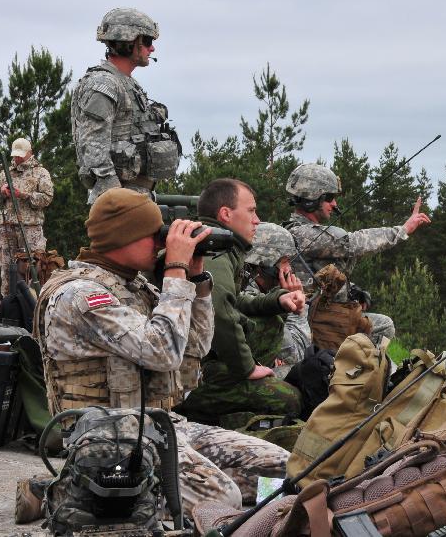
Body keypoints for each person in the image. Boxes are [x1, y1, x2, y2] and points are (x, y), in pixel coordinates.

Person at [34, 188, 288, 516]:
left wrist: (196, 280)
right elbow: (161, 352)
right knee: (221, 499)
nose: (160, 243)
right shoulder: (81, 296)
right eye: (153, 235)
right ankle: (75, 491)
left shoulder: (136, 286)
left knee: (284, 469)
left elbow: (195, 348)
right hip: (106, 438)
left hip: (159, 425)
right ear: (124, 237)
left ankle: (96, 490)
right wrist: (175, 272)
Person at [173, 178, 303, 424]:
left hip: (197, 358)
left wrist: (278, 300)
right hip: (187, 374)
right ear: (225, 214)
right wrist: (247, 369)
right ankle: (206, 415)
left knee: (270, 320)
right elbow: (220, 311)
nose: (257, 219)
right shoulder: (214, 252)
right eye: (251, 211)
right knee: (292, 400)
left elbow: (233, 300)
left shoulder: (223, 248)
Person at [283, 163, 431, 342]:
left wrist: (352, 290)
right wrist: (403, 229)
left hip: (322, 314)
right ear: (311, 199)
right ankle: (350, 368)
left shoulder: (303, 232)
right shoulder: (302, 233)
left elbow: (317, 275)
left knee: (378, 323)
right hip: (314, 321)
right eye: (329, 198)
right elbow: (353, 243)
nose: (334, 204)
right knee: (383, 326)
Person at [71, 8, 181, 203]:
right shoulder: (104, 84)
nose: (152, 48)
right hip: (121, 200)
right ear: (129, 42)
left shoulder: (127, 83)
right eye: (147, 41)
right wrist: (115, 199)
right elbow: (93, 148)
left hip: (136, 196)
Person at [242, 222, 312, 378]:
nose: (290, 269)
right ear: (266, 265)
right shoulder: (255, 299)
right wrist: (296, 309)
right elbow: (299, 354)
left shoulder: (245, 286)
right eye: (285, 261)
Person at [0, 137, 53, 296]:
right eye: (14, 155)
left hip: (30, 228)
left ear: (29, 153)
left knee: (32, 268)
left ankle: (33, 305)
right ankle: (9, 306)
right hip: (6, 227)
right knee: (7, 268)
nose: (16, 158)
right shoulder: (5, 174)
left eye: (20, 155)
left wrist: (23, 195)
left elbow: (47, 198)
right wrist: (1, 192)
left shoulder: (40, 172)